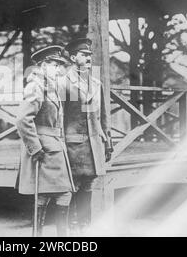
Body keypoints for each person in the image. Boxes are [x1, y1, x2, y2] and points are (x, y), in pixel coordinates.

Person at [15, 45, 75, 237]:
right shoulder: (36, 86)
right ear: (42, 66)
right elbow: (23, 119)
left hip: (55, 147)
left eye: (59, 65)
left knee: (61, 193)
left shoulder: (52, 88)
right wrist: (35, 147)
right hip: (44, 149)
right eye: (53, 64)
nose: (58, 69)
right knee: (48, 194)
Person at [60, 38, 113, 234]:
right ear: (73, 58)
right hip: (73, 143)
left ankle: (86, 227)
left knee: (89, 186)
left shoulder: (96, 83)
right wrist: (60, 143)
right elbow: (60, 117)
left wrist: (107, 141)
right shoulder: (64, 83)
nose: (89, 57)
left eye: (90, 55)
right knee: (74, 186)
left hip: (93, 143)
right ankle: (73, 228)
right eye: (84, 55)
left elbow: (103, 116)